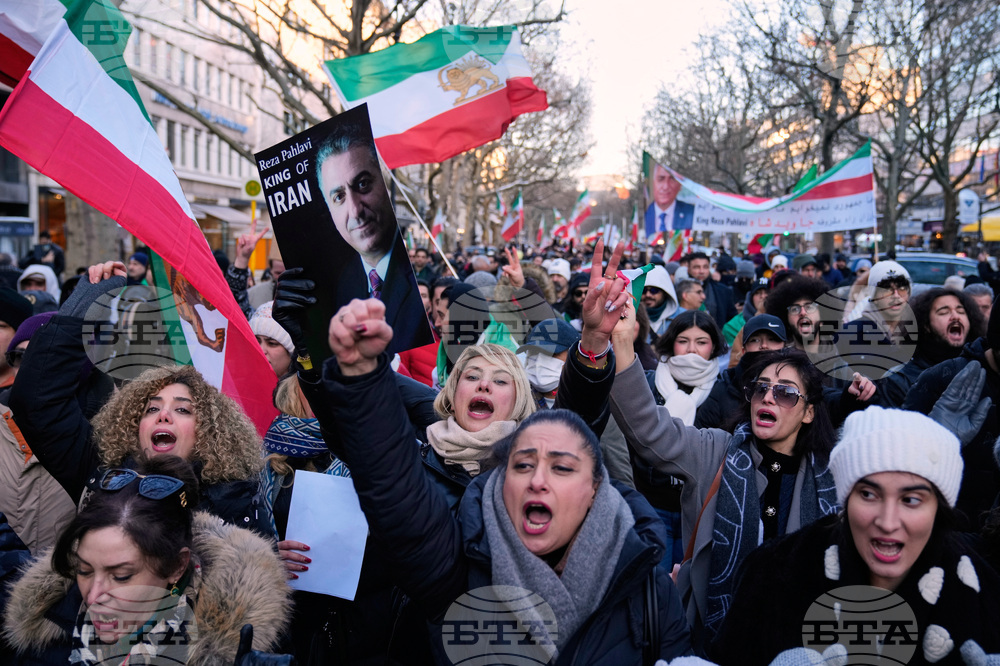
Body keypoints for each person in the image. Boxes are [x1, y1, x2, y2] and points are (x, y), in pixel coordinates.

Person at [315, 274, 692, 661]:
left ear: (595, 487)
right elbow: (394, 486)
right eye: (523, 466)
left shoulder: (646, 588)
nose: (539, 481)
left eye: (561, 469)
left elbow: (575, 418)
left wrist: (594, 345)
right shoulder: (464, 573)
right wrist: (358, 374)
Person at [603, 313, 840, 646]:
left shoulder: (831, 476)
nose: (769, 397)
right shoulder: (715, 450)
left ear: (809, 411)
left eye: (785, 392)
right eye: (761, 388)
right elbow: (647, 427)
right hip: (709, 639)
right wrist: (623, 341)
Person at [711, 407, 1000, 665]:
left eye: (911, 500)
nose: (887, 522)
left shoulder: (983, 597)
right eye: (868, 494)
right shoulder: (773, 574)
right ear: (846, 498)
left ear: (939, 508)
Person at [9, 261, 270, 534]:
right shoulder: (100, 475)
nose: (163, 415)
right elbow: (37, 403)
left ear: (209, 433)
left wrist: (268, 553)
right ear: (132, 427)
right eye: (151, 409)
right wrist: (82, 309)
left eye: (183, 410)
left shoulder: (237, 503)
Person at [2, 455, 292, 664]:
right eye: (84, 570)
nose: (94, 595)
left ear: (177, 567)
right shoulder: (50, 627)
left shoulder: (231, 649)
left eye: (122, 576)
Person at [314, 118, 426, 354]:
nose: (355, 210)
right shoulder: (343, 284)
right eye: (339, 197)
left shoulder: (424, 288)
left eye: (363, 184)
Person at [876, 287, 983, 408]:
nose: (955, 316)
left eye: (961, 312)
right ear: (926, 325)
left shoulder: (982, 369)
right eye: (944, 312)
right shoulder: (899, 381)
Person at [686, 252, 736, 328]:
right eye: (696, 267)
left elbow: (732, 321)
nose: (701, 271)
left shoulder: (724, 291)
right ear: (688, 269)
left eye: (705, 267)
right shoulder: (678, 291)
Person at [645, 163, 694, 236]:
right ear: (653, 182)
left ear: (679, 185)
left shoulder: (691, 213)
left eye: (672, 179)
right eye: (661, 179)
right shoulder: (645, 215)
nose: (665, 187)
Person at [249, 301, 294, 377]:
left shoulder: (307, 387)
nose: (261, 350)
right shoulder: (237, 385)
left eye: (272, 343)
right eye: (256, 341)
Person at [642, 265, 680, 337]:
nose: (648, 295)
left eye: (654, 290)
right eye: (644, 290)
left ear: (665, 292)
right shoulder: (632, 318)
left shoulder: (680, 317)